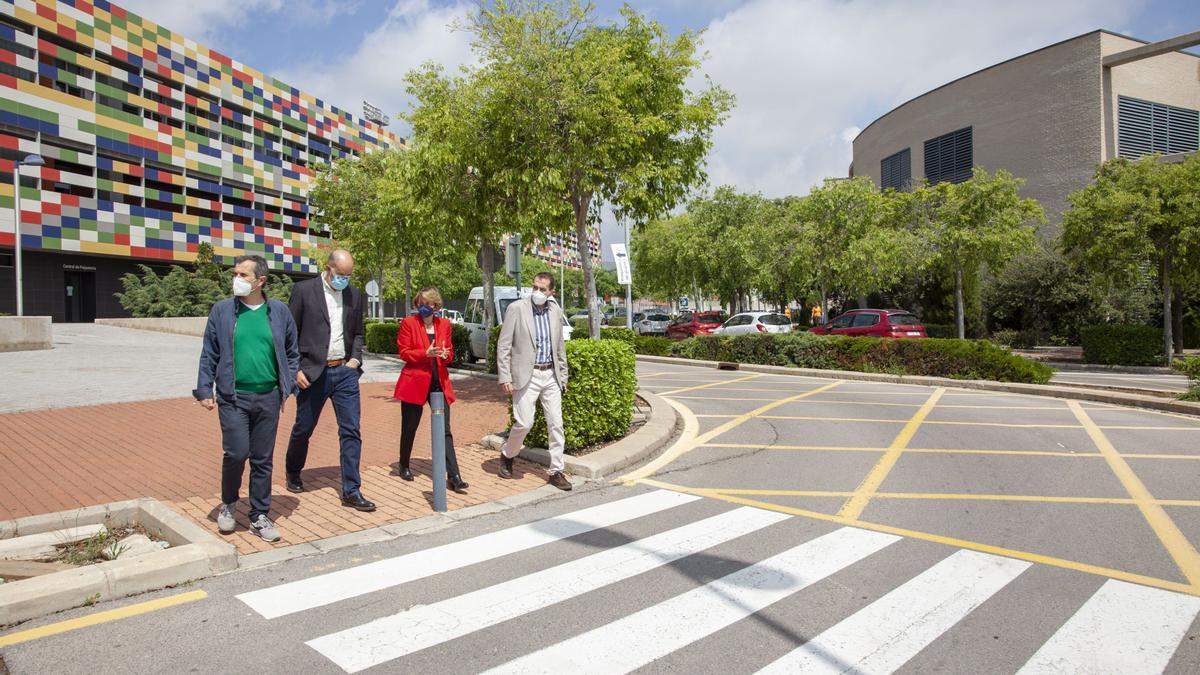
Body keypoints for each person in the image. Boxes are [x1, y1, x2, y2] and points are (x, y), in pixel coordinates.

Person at [194, 255, 298, 543]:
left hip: (268, 396)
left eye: (243, 274)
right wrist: (205, 388)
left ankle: (259, 514)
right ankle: (229, 503)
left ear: (260, 281)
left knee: (263, 459)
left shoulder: (279, 312)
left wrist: (288, 385)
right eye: (235, 273)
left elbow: (291, 352)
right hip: (233, 397)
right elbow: (210, 352)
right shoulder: (222, 311)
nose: (236, 279)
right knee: (237, 453)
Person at [282, 249, 374, 512]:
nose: (345, 279)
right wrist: (295, 369)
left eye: (349, 275)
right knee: (304, 428)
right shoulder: (303, 291)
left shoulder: (354, 295)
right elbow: (290, 334)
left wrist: (355, 360)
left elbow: (357, 332)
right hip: (312, 373)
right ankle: (293, 470)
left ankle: (351, 490)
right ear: (328, 267)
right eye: (341, 274)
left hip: (344, 372)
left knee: (351, 431)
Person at [496, 272, 572, 491]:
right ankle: (508, 454)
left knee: (556, 424)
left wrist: (563, 377)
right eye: (535, 287)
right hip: (525, 375)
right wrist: (505, 376)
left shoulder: (556, 311)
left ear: (551, 292)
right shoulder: (517, 309)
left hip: (550, 375)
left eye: (542, 289)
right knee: (524, 423)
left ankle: (556, 471)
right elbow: (504, 345)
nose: (537, 292)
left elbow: (559, 347)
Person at [393, 287, 469, 492]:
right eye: (420, 303)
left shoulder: (444, 324)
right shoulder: (409, 323)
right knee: (410, 426)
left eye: (427, 304)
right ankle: (404, 464)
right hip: (415, 382)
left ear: (435, 305)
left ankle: (454, 475)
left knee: (444, 430)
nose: (423, 307)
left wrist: (446, 355)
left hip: (439, 383)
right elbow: (404, 352)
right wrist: (424, 353)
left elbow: (450, 352)